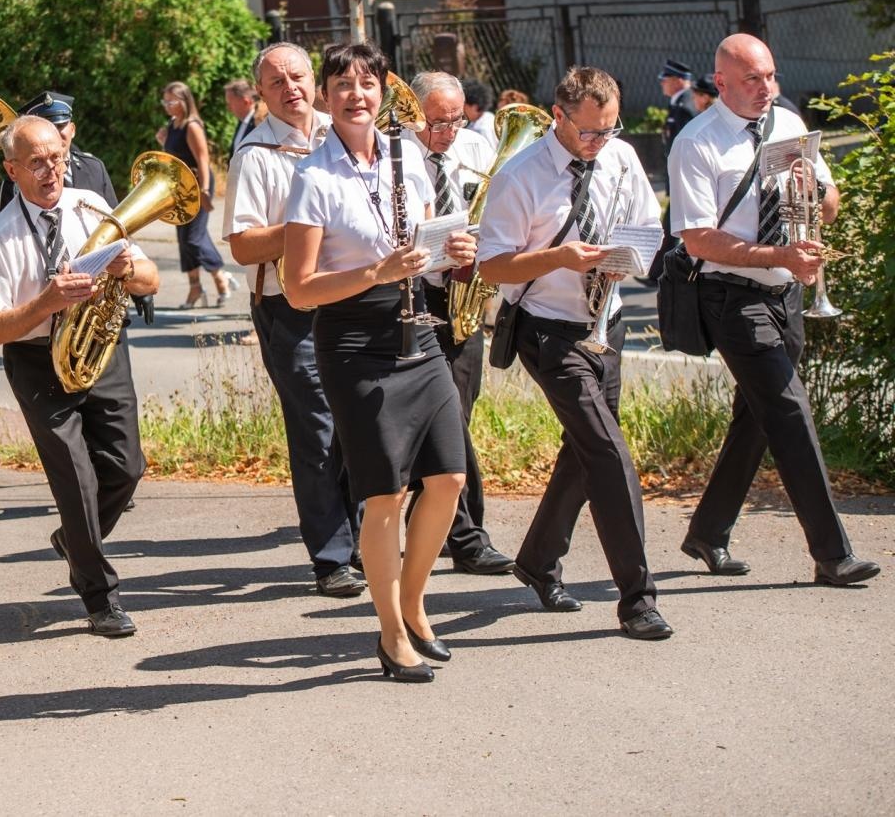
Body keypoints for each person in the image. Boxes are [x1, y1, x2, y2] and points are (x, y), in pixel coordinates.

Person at [282, 42, 471, 683]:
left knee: (448, 480)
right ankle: (390, 633)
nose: (356, 94)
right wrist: (374, 272)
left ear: (384, 90)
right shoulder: (313, 176)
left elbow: (420, 244)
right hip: (354, 344)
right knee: (384, 494)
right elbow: (299, 289)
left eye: (367, 83)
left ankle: (414, 605)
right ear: (324, 97)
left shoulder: (406, 157)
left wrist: (452, 247)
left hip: (417, 333)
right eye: (342, 85)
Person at [670, 34, 879, 587]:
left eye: (770, 77)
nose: (766, 89)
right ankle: (833, 554)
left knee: (756, 421)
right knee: (788, 411)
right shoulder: (697, 143)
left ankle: (708, 532)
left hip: (783, 292)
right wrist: (780, 253)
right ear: (722, 84)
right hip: (730, 296)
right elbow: (697, 239)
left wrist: (813, 191)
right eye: (752, 80)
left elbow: (830, 209)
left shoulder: (787, 124)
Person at [477, 66, 673, 641]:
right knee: (609, 454)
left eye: (608, 130)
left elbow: (647, 231)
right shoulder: (520, 176)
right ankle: (638, 600)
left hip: (606, 320)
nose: (599, 143)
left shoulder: (621, 156)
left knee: (584, 454)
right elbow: (492, 265)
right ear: (558, 117)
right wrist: (559, 258)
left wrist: (623, 258)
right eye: (588, 132)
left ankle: (537, 561)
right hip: (548, 329)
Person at [0, 115, 158, 637]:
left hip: (101, 350)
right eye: (36, 162)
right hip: (37, 362)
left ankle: (76, 538)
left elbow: (150, 279)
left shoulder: (93, 206)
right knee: (75, 477)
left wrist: (126, 270)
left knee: (126, 467)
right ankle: (101, 597)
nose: (51, 169)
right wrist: (48, 301)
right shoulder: (2, 235)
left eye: (56, 157)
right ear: (12, 170)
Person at [222, 43, 365, 598]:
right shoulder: (256, 154)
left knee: (357, 422)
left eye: (298, 76)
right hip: (289, 306)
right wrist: (309, 227)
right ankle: (332, 559)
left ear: (315, 79)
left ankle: (361, 539)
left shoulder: (346, 133)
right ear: (262, 93)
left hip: (353, 295)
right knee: (317, 431)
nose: (291, 88)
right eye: (276, 82)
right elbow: (241, 246)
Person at [405, 71, 514, 575]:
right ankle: (467, 536)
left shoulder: (476, 146)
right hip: (414, 300)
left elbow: (496, 212)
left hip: (464, 302)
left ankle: (438, 520)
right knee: (435, 422)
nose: (448, 130)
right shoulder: (397, 154)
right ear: (414, 114)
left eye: (456, 118)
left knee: (458, 417)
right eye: (437, 122)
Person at [157, 81, 235, 308]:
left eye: (171, 101)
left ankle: (221, 276)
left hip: (197, 185)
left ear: (183, 102)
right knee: (184, 239)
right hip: (180, 187)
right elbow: (174, 155)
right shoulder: (173, 124)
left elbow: (203, 159)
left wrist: (205, 190)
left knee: (194, 237)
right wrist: (163, 141)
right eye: (165, 101)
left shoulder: (192, 126)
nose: (167, 106)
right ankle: (195, 289)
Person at [0, 92, 118, 210]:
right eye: (47, 128)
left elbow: (116, 218)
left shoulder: (94, 168)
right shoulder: (16, 180)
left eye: (60, 126)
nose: (55, 134)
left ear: (73, 129)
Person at [660, 59, 697, 146]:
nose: (661, 83)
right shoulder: (678, 102)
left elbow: (687, 145)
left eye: (664, 80)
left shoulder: (685, 107)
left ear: (677, 81)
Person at [225, 79, 264, 157]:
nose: (228, 108)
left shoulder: (260, 124)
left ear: (246, 102)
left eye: (230, 103)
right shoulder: (242, 122)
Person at [461, 79, 496, 148]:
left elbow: (492, 156)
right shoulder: (489, 116)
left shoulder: (481, 130)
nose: (460, 109)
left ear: (474, 107)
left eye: (463, 104)